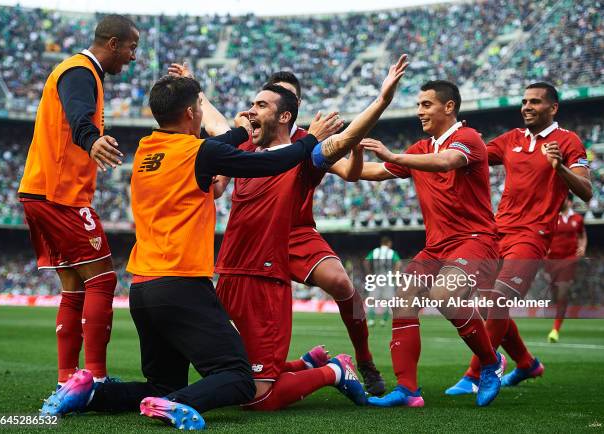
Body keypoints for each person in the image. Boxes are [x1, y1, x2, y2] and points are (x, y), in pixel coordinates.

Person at [39, 75, 343, 430]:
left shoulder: (147, 152)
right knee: (238, 376)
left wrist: (242, 131)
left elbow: (220, 144)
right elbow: (269, 165)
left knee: (161, 384)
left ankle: (90, 395)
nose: (202, 112)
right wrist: (313, 141)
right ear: (189, 112)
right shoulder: (201, 153)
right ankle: (176, 405)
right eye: (199, 106)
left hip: (142, 289)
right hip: (181, 286)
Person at [214, 55, 409, 411]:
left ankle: (360, 361)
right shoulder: (247, 139)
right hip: (246, 247)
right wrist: (192, 91)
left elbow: (352, 168)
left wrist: (408, 161)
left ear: (290, 110)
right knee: (229, 361)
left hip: (295, 232)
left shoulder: (308, 144)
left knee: (342, 284)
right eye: (256, 102)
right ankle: (306, 364)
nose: (255, 110)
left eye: (268, 103)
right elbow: (215, 133)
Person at [357, 80, 505, 407]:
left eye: (426, 104)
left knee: (445, 294)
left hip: (475, 241)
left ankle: (491, 363)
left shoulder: (468, 139)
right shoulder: (420, 149)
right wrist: (329, 158)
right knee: (404, 297)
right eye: (419, 105)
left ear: (448, 107)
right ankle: (408, 390)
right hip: (436, 246)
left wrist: (394, 155)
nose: (419, 111)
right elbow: (374, 172)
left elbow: (447, 162)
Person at [17, 15, 139, 394]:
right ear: (114, 43)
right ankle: (96, 381)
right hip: (60, 196)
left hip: (41, 192)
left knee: (73, 287)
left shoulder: (79, 71)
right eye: (132, 47)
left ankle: (67, 381)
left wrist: (88, 138)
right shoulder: (81, 71)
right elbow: (77, 115)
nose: (133, 57)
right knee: (102, 279)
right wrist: (91, 140)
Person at [446, 82, 591, 393]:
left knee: (497, 299)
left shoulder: (567, 141)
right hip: (497, 231)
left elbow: (586, 191)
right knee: (485, 302)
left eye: (535, 102)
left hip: (533, 235)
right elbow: (474, 155)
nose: (527, 106)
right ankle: (526, 364)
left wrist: (560, 167)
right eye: (524, 101)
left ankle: (477, 373)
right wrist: (460, 137)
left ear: (552, 108)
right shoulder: (511, 139)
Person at [545, 195, 587, 343]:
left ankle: (555, 329)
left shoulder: (577, 219)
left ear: (569, 201)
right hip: (551, 261)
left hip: (569, 260)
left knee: (563, 292)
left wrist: (582, 247)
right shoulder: (551, 218)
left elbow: (582, 235)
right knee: (556, 293)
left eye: (561, 199)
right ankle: (558, 311)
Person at [363, 236, 401, 327]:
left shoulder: (375, 251)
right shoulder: (392, 252)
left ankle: (371, 320)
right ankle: (384, 320)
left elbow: (366, 261)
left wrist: (369, 273)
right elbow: (398, 263)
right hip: (388, 278)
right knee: (388, 300)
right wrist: (395, 273)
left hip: (377, 277)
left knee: (372, 300)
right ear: (388, 243)